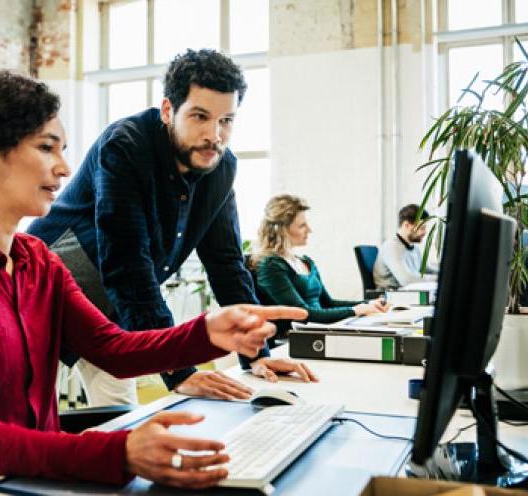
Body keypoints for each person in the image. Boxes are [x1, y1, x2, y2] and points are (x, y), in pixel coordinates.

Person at [0, 70, 307, 487]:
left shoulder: (35, 258)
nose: (65, 168)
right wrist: (119, 452)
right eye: (48, 149)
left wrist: (208, 332)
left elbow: (112, 349)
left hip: (27, 474)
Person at [27, 49, 315, 405]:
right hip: (45, 297)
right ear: (168, 111)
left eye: (226, 120)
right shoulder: (126, 145)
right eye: (200, 117)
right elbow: (127, 263)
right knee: (22, 418)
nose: (215, 135)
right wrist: (180, 371)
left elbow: (226, 263)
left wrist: (257, 355)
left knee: (119, 420)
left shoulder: (220, 168)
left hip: (118, 314)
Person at [252, 194, 388, 323]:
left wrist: (368, 304)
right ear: (282, 230)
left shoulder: (305, 262)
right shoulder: (271, 265)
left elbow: (327, 303)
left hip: (318, 329)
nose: (309, 230)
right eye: (302, 226)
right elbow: (303, 313)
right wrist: (355, 310)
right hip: (296, 337)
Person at [373, 204, 439, 289]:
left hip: (407, 293)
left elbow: (426, 269)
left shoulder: (414, 248)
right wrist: (439, 279)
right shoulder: (391, 247)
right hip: (391, 296)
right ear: (406, 225)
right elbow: (406, 280)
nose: (425, 232)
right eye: (422, 228)